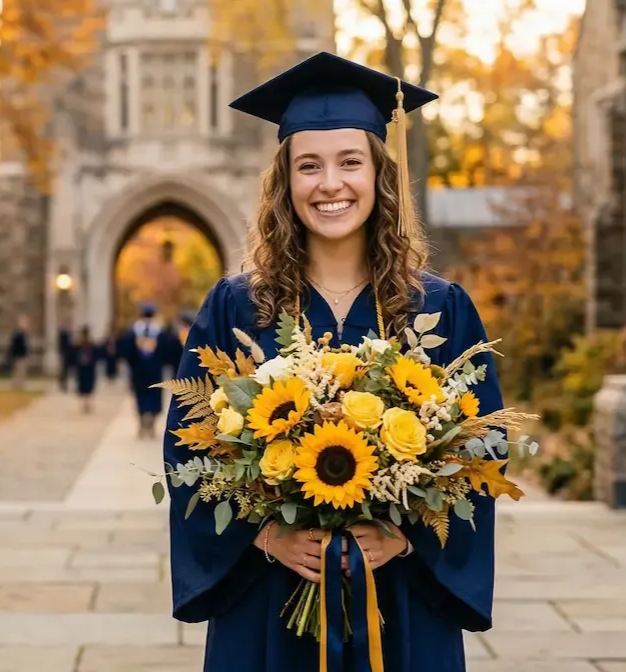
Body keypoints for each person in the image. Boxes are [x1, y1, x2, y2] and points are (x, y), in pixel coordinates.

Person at [164, 52, 502, 672]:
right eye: (308, 166)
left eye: (350, 162)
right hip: (269, 593)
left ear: (379, 175)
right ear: (284, 182)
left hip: (400, 595)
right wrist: (265, 535)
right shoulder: (237, 307)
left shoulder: (439, 308)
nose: (330, 184)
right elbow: (188, 455)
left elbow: (481, 454)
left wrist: (405, 537)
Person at [119, 302, 175, 438]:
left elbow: (125, 351)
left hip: (138, 370)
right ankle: (151, 422)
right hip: (154, 370)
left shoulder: (133, 332)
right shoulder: (161, 333)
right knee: (154, 396)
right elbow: (169, 351)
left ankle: (142, 421)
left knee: (140, 396)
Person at [74, 325, 101, 414]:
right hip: (84, 368)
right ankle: (86, 403)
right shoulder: (79, 345)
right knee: (85, 386)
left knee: (87, 386)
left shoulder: (90, 344)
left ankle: (87, 403)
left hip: (88, 368)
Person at [8, 315, 30, 390]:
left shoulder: (23, 334)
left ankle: (20, 385)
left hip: (21, 355)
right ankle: (17, 386)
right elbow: (15, 345)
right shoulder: (18, 334)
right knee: (19, 371)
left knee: (21, 372)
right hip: (19, 356)